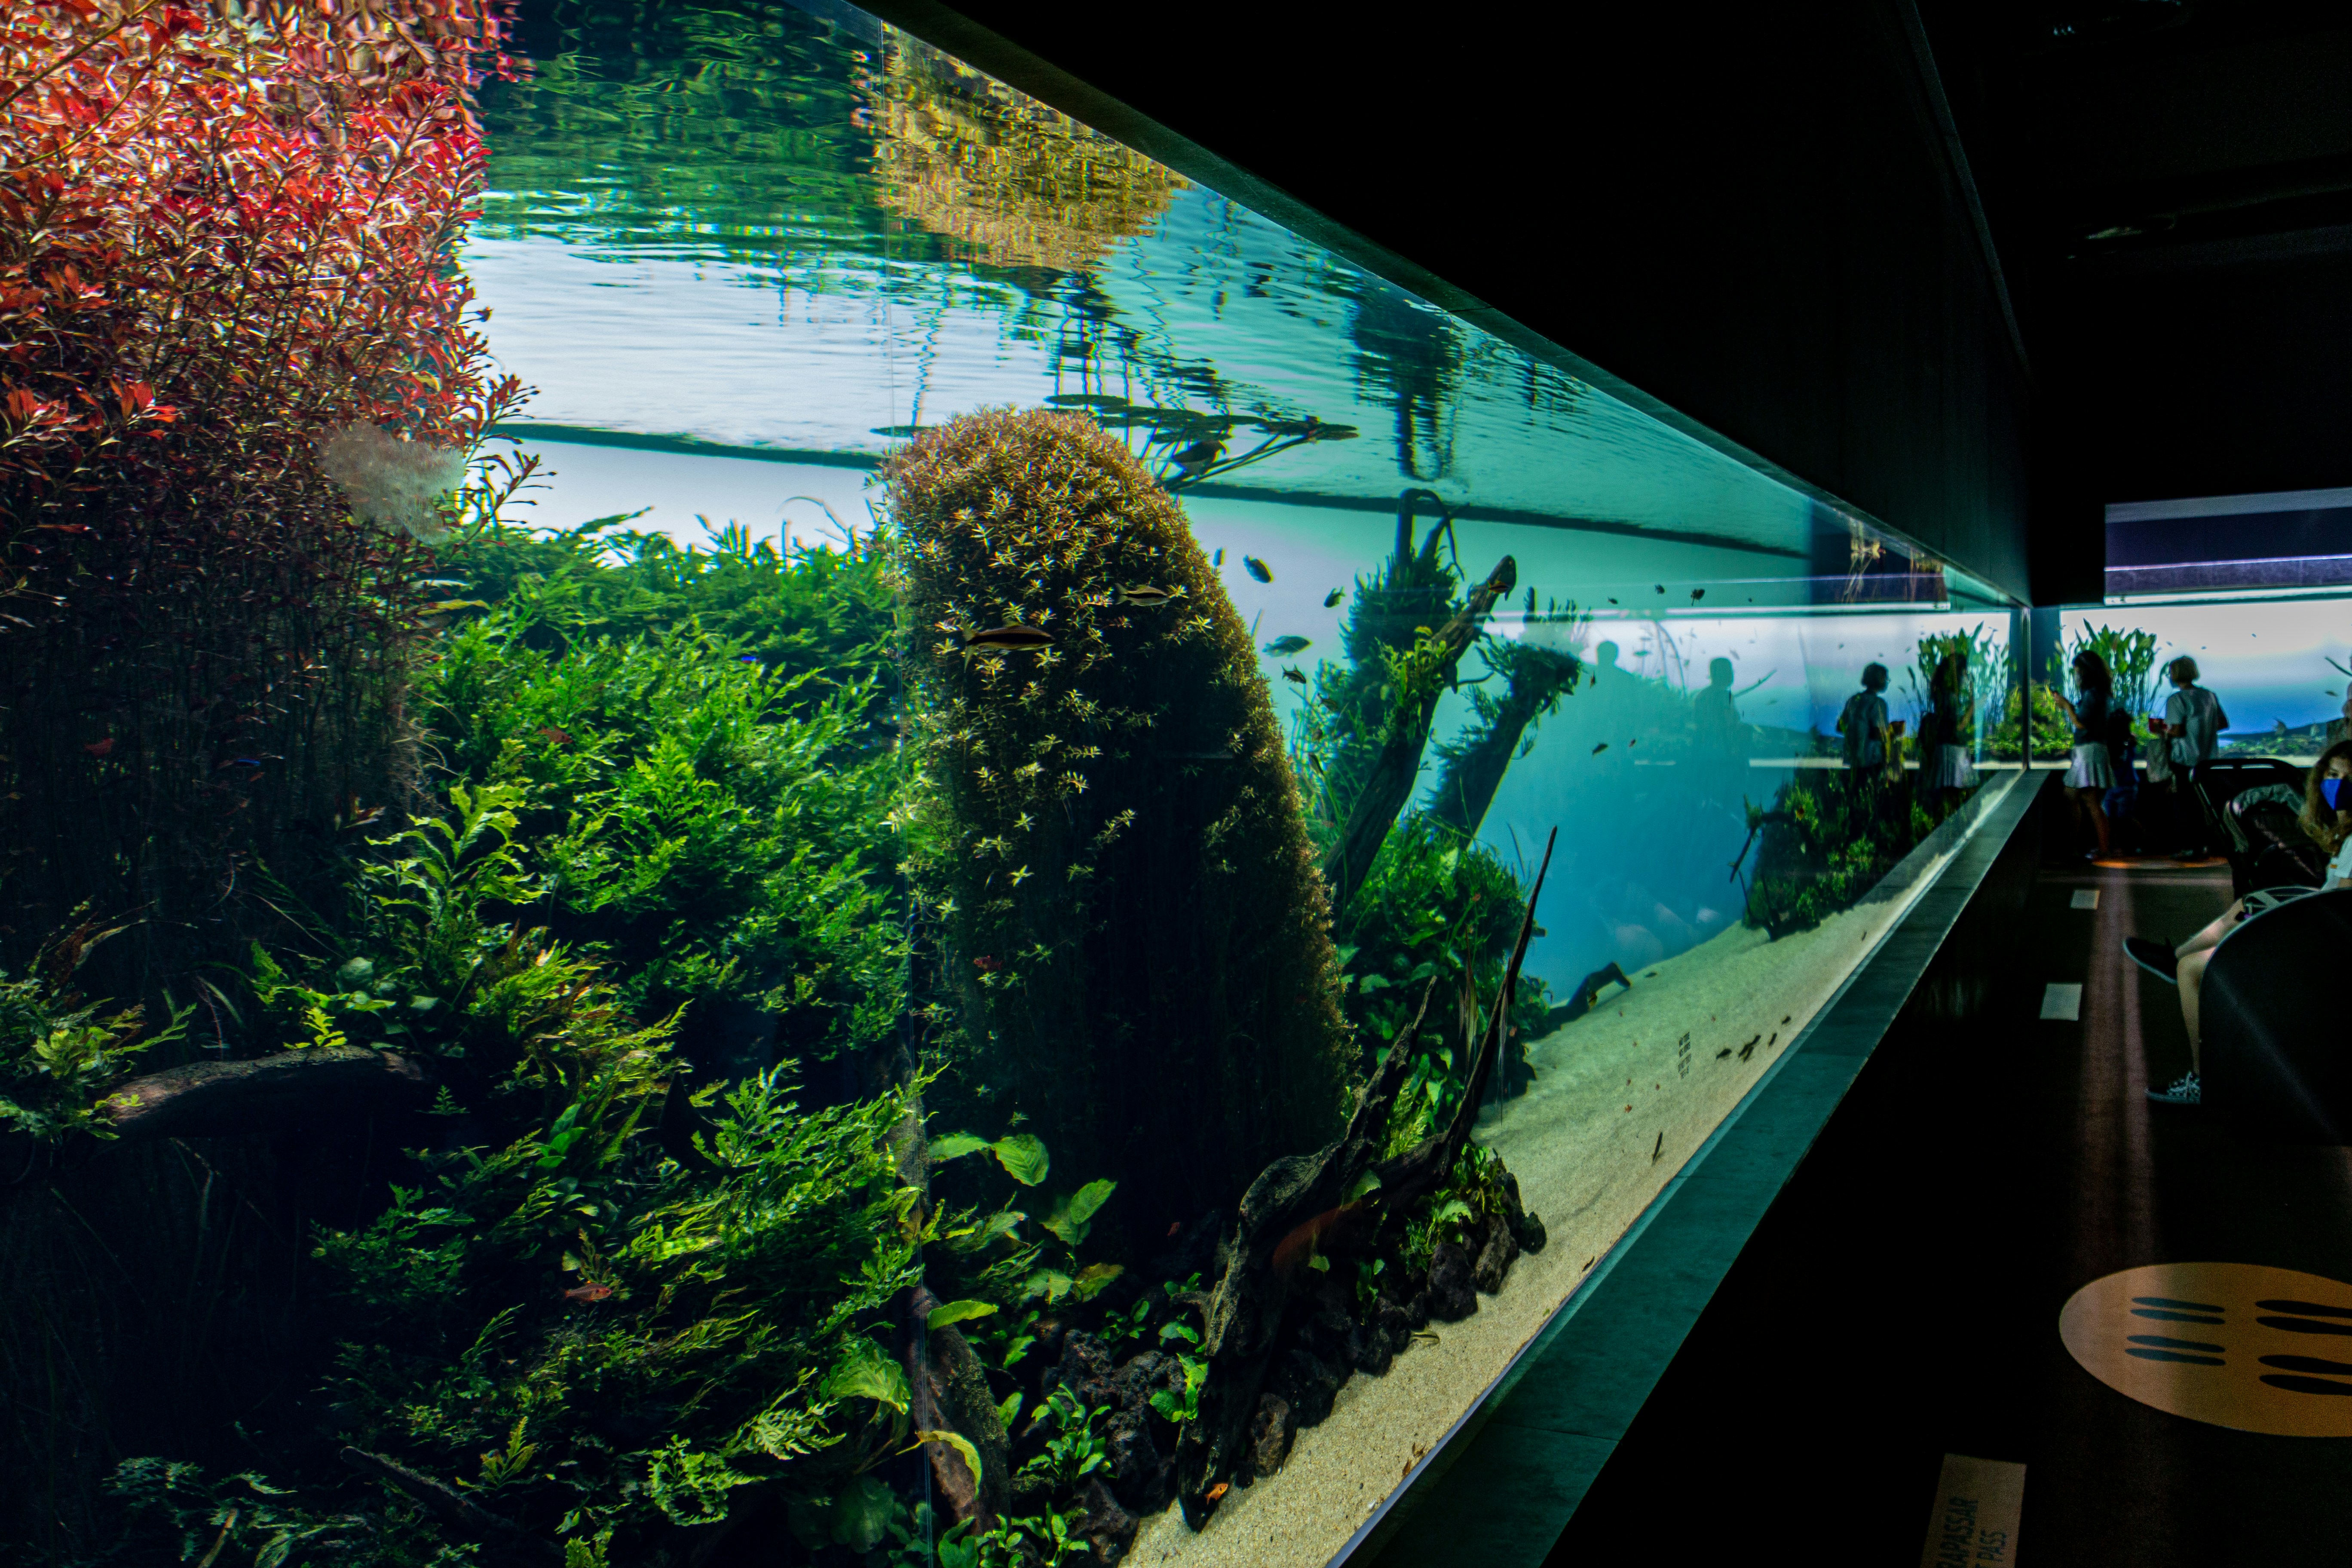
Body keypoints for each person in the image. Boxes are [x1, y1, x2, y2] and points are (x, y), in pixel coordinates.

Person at [2123, 739, 2352, 1105]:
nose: (2337, 785)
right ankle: (2179, 955)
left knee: (2192, 971)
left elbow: (2340, 912)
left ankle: (2202, 1082)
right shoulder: (2345, 836)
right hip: (2321, 938)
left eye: (2348, 779)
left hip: (2323, 955)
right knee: (2248, 903)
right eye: (2333, 775)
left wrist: (2279, 922)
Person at [2149, 655, 2229, 857]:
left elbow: (2176, 731)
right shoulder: (2209, 696)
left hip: (2184, 759)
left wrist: (2160, 729)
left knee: (2183, 805)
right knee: (2203, 804)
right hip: (2208, 761)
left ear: (2175, 675)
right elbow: (2223, 724)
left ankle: (2189, 848)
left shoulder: (2178, 699)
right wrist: (2204, 730)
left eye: (2170, 673)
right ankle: (2206, 845)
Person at [2052, 649, 2116, 860]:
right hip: (2091, 752)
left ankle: (2099, 849)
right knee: (2079, 798)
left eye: (2078, 671)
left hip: (2089, 753)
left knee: (2089, 802)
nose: (2076, 675)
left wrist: (2066, 706)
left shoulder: (2092, 694)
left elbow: (2081, 723)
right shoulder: (2101, 693)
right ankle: (2082, 847)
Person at [1923, 649, 1977, 812]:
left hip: (1945, 749)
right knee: (1955, 798)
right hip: (1953, 753)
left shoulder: (1941, 693)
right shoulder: (1950, 697)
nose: (1967, 675)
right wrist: (1974, 705)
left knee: (1946, 799)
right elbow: (1959, 726)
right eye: (1965, 672)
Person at [1837, 663, 1893, 777]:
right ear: (1881, 679)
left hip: (1853, 760)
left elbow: (1840, 727)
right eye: (1886, 678)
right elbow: (1877, 733)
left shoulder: (1853, 700)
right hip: (1872, 761)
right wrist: (1893, 731)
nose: (1887, 681)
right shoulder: (1878, 703)